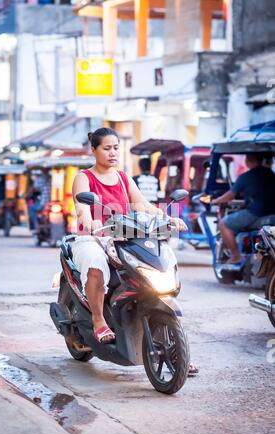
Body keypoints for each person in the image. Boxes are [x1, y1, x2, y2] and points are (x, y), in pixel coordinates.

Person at [72, 127, 199, 375]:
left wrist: (167, 218)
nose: (112, 153)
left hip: (122, 237)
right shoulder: (84, 177)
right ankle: (99, 320)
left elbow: (140, 204)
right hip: (92, 239)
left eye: (115, 148)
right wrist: (90, 220)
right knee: (97, 262)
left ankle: (177, 350)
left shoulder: (122, 177)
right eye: (106, 148)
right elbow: (81, 207)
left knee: (151, 267)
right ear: (95, 150)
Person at [211, 153, 275, 264]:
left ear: (247, 161)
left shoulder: (246, 176)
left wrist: (216, 201)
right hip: (271, 212)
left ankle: (236, 257)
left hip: (255, 213)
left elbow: (230, 195)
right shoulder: (271, 174)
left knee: (224, 224)